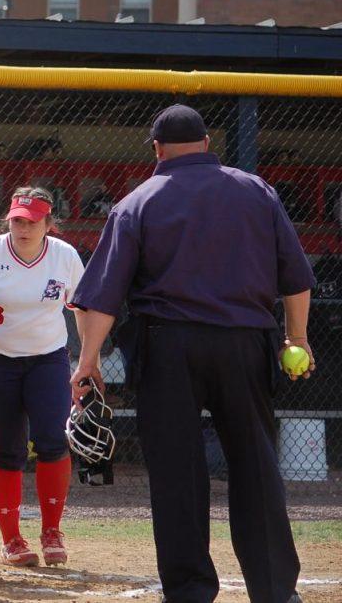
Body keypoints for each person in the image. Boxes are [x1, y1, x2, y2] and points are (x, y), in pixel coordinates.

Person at [70, 104, 315, 603]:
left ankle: (188, 591)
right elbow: (295, 275)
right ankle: (275, 592)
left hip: (170, 346)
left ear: (156, 150)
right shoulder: (256, 190)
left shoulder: (138, 201)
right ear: (207, 143)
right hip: (245, 341)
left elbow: (101, 297)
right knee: (256, 467)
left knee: (178, 475)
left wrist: (88, 361)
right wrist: (298, 337)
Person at [0, 187, 84, 568]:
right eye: (17, 220)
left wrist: (86, 361)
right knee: (7, 451)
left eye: (32, 221)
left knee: (52, 442)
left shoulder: (64, 257)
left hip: (48, 359)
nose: (23, 227)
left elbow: (82, 307)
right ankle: (12, 539)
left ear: (49, 224)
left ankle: (51, 531)